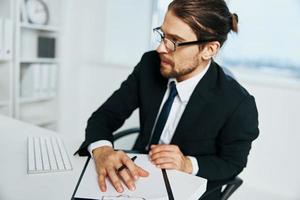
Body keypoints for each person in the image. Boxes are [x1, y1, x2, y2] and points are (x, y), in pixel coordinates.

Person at [76, 0, 259, 199]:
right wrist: (102, 149)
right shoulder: (149, 65)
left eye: (174, 41)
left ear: (209, 49)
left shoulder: (238, 103)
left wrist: (187, 163)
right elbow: (105, 116)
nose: (160, 49)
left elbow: (233, 163)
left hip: (187, 189)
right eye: (162, 35)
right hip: (138, 175)